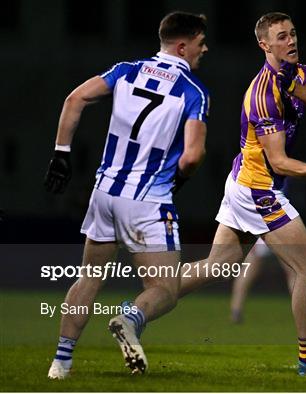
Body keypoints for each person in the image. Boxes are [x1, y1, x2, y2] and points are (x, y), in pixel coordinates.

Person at [176, 12, 306, 376]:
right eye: (281, 37)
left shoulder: (299, 72)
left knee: (218, 266)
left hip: (246, 182)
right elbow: (280, 160)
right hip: (258, 189)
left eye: (292, 34)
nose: (290, 41)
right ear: (264, 45)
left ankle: (139, 309)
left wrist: (294, 84)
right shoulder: (261, 96)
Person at [44, 11, 209, 379]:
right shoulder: (193, 91)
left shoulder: (125, 70)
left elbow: (75, 100)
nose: (205, 49)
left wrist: (61, 155)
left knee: (88, 276)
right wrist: (181, 176)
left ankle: (61, 363)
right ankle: (129, 319)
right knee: (165, 289)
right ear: (182, 46)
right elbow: (194, 155)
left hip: (104, 193)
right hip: (148, 200)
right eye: (200, 43)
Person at [230, 238, 306, 327]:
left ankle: (236, 311)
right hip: (276, 230)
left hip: (264, 232)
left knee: (248, 272)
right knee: (295, 273)